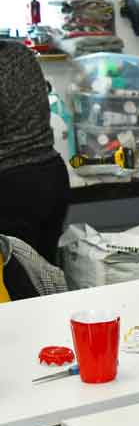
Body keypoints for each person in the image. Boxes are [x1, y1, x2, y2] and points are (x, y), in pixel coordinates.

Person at [0, 40, 70, 265]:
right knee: (43, 274)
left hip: (12, 187)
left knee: (15, 278)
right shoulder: (19, 52)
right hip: (50, 174)